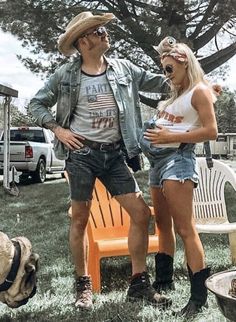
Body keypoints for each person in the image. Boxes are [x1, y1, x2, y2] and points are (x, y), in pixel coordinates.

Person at [29, 11, 171, 310]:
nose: (105, 33)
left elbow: (160, 82)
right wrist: (59, 130)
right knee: (80, 218)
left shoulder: (123, 68)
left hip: (115, 154)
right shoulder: (66, 74)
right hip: (81, 154)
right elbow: (36, 103)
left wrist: (181, 66)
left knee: (141, 213)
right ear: (83, 41)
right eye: (98, 31)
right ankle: (83, 286)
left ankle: (138, 284)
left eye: (104, 29)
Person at [139, 37, 218, 319]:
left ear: (184, 61)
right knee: (162, 225)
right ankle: (164, 282)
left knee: (185, 228)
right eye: (163, 68)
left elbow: (211, 131)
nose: (165, 74)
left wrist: (169, 136)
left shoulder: (199, 91)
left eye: (169, 68)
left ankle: (199, 298)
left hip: (178, 160)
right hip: (157, 163)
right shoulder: (176, 96)